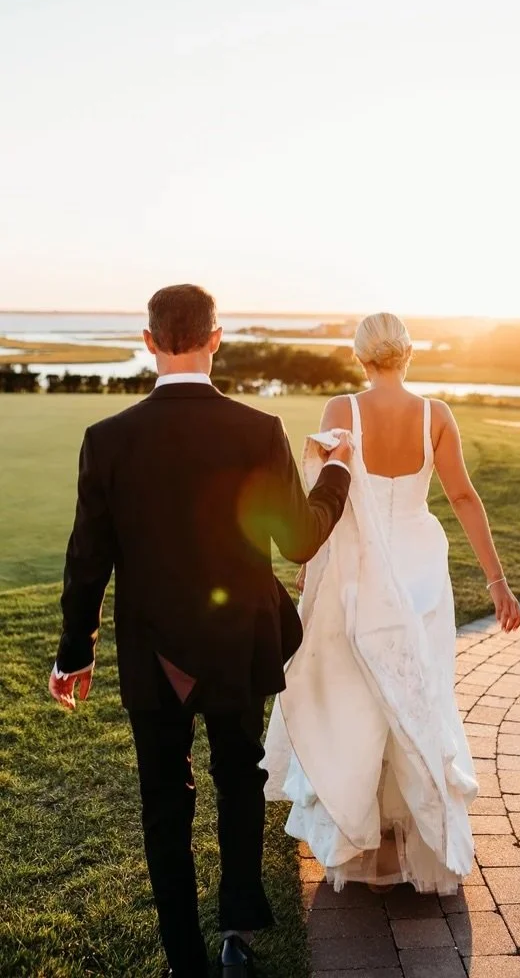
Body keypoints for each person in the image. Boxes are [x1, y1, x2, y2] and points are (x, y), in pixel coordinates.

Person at [48, 284, 353, 978]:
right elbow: (300, 541)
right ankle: (237, 936)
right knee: (238, 778)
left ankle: (185, 958)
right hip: (237, 644)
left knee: (163, 798)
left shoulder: (108, 440)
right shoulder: (258, 430)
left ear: (149, 342)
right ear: (218, 339)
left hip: (153, 654)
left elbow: (85, 563)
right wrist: (334, 472)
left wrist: (74, 656)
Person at [263, 311, 520, 895]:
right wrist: (497, 581)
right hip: (420, 566)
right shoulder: (437, 415)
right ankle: (419, 825)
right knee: (419, 691)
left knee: (357, 693)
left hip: (358, 564)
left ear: (360, 358)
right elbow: (461, 494)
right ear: (408, 355)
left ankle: (357, 830)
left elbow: (323, 495)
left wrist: (311, 567)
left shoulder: (340, 411)